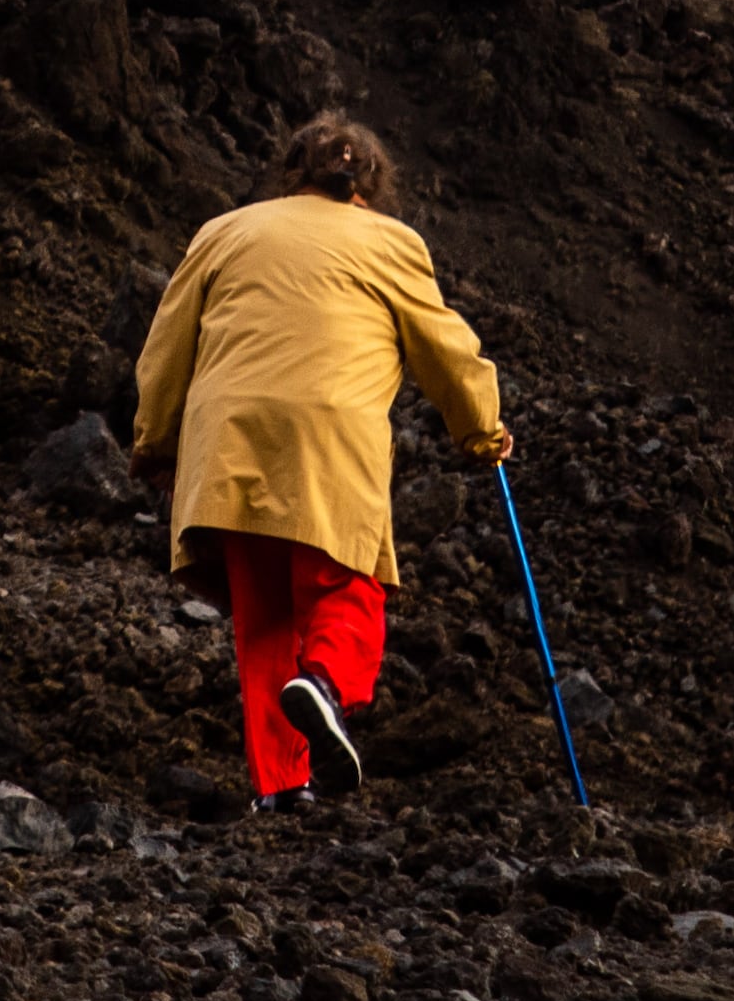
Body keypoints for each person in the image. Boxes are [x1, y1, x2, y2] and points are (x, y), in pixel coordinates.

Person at [125, 110, 510, 809]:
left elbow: (165, 349)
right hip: (325, 440)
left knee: (265, 618)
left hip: (228, 439)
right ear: (368, 188)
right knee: (348, 586)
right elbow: (447, 353)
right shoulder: (389, 242)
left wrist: (154, 441)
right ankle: (327, 685)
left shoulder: (224, 233)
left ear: (291, 175)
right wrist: (482, 433)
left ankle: (283, 787)